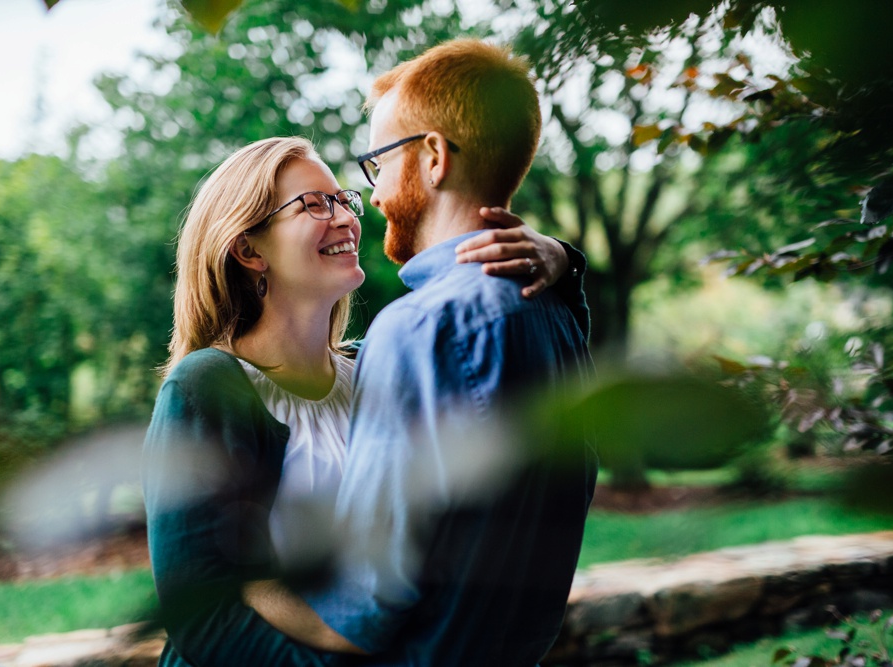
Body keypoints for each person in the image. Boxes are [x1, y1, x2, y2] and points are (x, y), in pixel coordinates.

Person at [141, 135, 580, 666]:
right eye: (314, 204)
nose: (348, 218)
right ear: (249, 250)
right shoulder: (206, 386)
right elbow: (201, 617)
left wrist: (560, 258)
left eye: (342, 199)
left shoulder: (381, 363)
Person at [245, 39, 596, 666]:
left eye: (377, 163)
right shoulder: (557, 313)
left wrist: (241, 575)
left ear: (434, 157)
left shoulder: (419, 329)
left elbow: (358, 610)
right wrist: (566, 260)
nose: (373, 196)